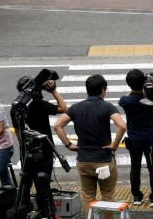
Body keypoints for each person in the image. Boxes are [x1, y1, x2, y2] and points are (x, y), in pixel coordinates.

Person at [53, 74, 127, 218]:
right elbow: (122, 126)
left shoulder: (76, 108)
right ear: (103, 90)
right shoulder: (107, 107)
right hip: (103, 161)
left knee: (88, 196)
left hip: (84, 160)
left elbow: (57, 125)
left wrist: (68, 145)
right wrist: (114, 145)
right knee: (107, 195)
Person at [14, 74, 67, 218]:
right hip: (44, 151)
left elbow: (18, 132)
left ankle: (23, 212)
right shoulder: (39, 104)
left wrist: (24, 146)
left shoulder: (16, 107)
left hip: (27, 152)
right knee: (43, 186)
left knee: (25, 185)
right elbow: (63, 107)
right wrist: (54, 91)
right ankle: (46, 212)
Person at [119, 69, 153, 207]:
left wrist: (134, 91)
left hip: (134, 139)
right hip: (150, 139)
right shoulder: (149, 100)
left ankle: (137, 196)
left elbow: (123, 99)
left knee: (135, 167)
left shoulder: (125, 101)